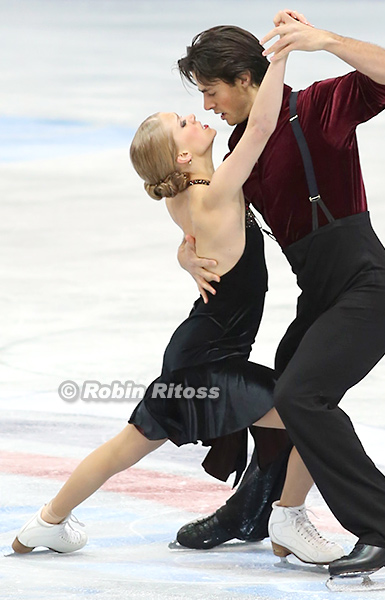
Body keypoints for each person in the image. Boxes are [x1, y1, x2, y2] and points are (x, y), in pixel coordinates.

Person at [11, 46, 343, 566]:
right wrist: (276, 62)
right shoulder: (212, 191)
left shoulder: (182, 194)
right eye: (182, 122)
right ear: (183, 157)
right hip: (209, 363)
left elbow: (192, 238)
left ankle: (45, 523)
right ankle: (289, 520)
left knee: (129, 445)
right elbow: (259, 131)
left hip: (198, 355)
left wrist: (185, 257)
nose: (195, 115)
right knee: (311, 413)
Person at [176, 9, 385, 579]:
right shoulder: (242, 144)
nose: (208, 106)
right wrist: (186, 252)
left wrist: (325, 41)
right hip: (319, 294)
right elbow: (215, 222)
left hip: (368, 287)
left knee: (302, 397)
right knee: (278, 398)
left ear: (245, 79)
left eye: (212, 91)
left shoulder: (316, 107)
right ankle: (258, 511)